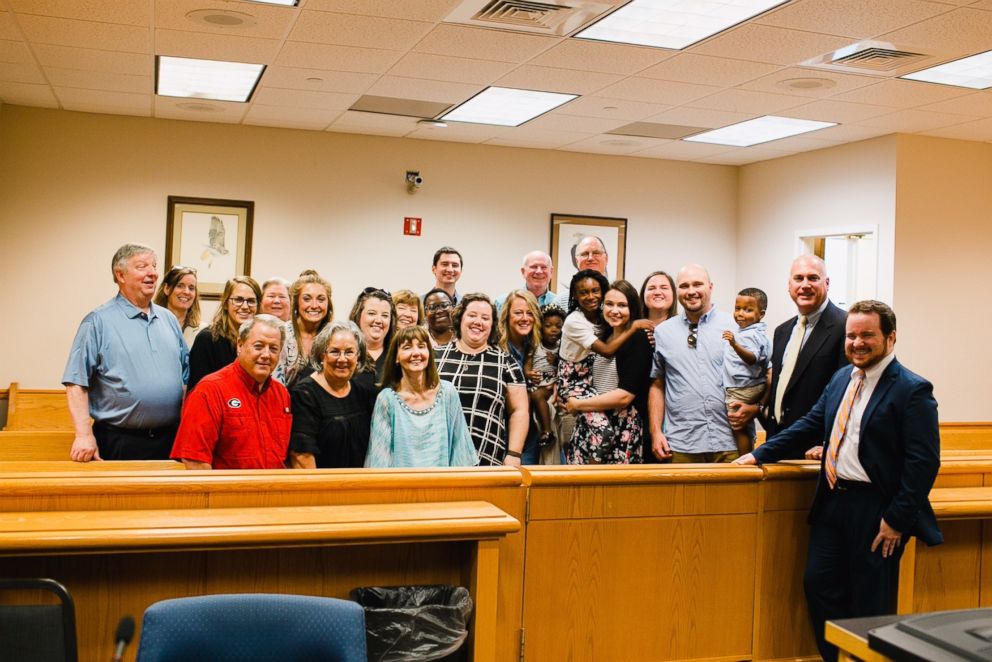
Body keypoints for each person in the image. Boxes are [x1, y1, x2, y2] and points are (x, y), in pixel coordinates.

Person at [735, 300, 941, 662]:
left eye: (867, 336)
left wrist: (896, 519)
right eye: (851, 336)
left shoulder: (912, 389)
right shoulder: (841, 378)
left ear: (891, 338)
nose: (857, 343)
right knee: (819, 586)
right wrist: (757, 454)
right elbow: (810, 425)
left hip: (877, 511)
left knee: (870, 605)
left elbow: (923, 463)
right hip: (832, 502)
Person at [63, 243, 189, 462]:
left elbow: (185, 377)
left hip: (170, 439)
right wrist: (83, 435)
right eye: (142, 266)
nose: (153, 273)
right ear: (120, 275)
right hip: (120, 441)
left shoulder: (168, 319)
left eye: (154, 266)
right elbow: (76, 382)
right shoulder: (97, 322)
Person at [729, 255, 847, 454]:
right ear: (789, 285)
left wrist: (830, 442)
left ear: (827, 283)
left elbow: (846, 392)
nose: (805, 285)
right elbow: (778, 385)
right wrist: (758, 408)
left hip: (817, 449)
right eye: (799, 278)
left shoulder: (844, 326)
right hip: (779, 442)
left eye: (813, 278)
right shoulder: (782, 331)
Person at [171, 314, 292, 470]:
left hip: (273, 492)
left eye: (273, 348)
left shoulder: (281, 394)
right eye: (258, 346)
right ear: (240, 345)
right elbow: (195, 462)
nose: (266, 354)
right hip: (228, 493)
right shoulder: (209, 391)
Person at [557, 270, 652, 459]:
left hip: (620, 425)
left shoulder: (638, 338)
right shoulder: (603, 333)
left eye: (622, 305)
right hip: (594, 416)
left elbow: (624, 396)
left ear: (632, 308)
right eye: (609, 304)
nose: (614, 310)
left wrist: (578, 404)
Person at [648, 264, 737, 463]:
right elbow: (657, 384)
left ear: (711, 287)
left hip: (730, 441)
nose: (691, 291)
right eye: (684, 286)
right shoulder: (663, 332)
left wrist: (755, 407)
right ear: (677, 290)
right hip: (681, 443)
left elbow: (760, 373)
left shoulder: (735, 326)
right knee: (682, 496)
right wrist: (656, 432)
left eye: (697, 284)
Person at [435, 293, 528, 467]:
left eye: (485, 318)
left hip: (486, 458)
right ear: (460, 319)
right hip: (438, 457)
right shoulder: (435, 357)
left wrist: (514, 454)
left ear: (492, 325)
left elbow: (519, 410)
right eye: (472, 315)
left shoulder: (506, 362)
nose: (478, 322)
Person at [366, 325, 478, 468]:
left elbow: (460, 452)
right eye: (407, 347)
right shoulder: (387, 399)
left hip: (443, 487)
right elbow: (380, 461)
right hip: (401, 488)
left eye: (421, 346)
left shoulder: (448, 393)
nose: (416, 353)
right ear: (396, 357)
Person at [289, 321, 376, 469]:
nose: (342, 359)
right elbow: (301, 456)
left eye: (349, 352)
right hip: (323, 487)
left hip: (360, 485)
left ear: (358, 355)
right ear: (322, 354)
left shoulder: (363, 393)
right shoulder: (304, 395)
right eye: (335, 351)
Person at [188, 276, 262, 393]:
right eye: (238, 299)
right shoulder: (208, 339)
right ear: (226, 304)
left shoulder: (260, 341)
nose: (245, 306)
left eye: (251, 301)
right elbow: (198, 390)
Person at [722, 287, 771, 456]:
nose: (740, 313)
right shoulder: (754, 331)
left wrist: (734, 344)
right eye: (737, 308)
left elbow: (752, 358)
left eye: (748, 310)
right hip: (753, 384)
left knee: (737, 424)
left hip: (742, 387)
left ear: (761, 314)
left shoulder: (750, 335)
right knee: (745, 422)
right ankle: (752, 446)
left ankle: (746, 458)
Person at [497, 289, 544, 464]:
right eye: (518, 313)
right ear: (507, 316)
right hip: (504, 427)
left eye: (530, 313)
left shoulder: (536, 346)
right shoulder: (497, 348)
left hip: (532, 428)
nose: (525, 318)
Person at [276, 269, 333, 388]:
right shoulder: (281, 333)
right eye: (307, 299)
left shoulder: (334, 336)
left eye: (321, 299)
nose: (314, 305)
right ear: (296, 303)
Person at [349, 287, 395, 384]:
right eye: (372, 313)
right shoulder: (346, 355)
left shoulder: (397, 356)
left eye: (385, 315)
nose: (378, 320)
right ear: (358, 315)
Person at [153, 265, 203, 346]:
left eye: (191, 288)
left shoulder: (203, 331)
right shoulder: (151, 325)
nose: (186, 292)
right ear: (167, 289)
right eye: (180, 286)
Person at [554, 235, 608, 309]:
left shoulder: (618, 297)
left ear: (606, 258)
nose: (590, 258)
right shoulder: (560, 302)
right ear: (577, 261)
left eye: (596, 253)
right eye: (585, 254)